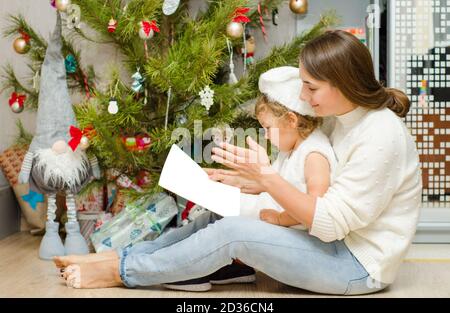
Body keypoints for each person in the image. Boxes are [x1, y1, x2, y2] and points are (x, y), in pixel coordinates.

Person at [56, 30, 421, 295]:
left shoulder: (380, 136)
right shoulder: (342, 119)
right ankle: (124, 255)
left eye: (311, 87)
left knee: (234, 233)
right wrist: (258, 183)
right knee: (221, 215)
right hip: (331, 244)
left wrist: (267, 179)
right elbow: (311, 192)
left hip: (355, 264)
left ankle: (122, 271)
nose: (302, 97)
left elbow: (328, 223)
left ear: (342, 83)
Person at [226, 66, 337, 228]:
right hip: (269, 212)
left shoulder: (314, 155)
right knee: (215, 214)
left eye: (268, 128)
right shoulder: (291, 149)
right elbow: (276, 183)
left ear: (291, 120)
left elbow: (316, 206)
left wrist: (280, 219)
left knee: (223, 224)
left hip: (288, 229)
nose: (266, 136)